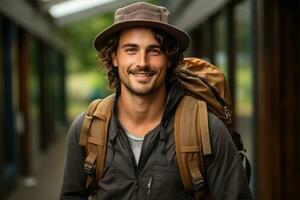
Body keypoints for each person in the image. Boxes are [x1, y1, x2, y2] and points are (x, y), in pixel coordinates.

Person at [60, 2, 252, 200]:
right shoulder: (87, 128)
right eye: (131, 50)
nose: (142, 63)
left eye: (154, 50)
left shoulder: (207, 131)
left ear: (169, 58)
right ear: (114, 57)